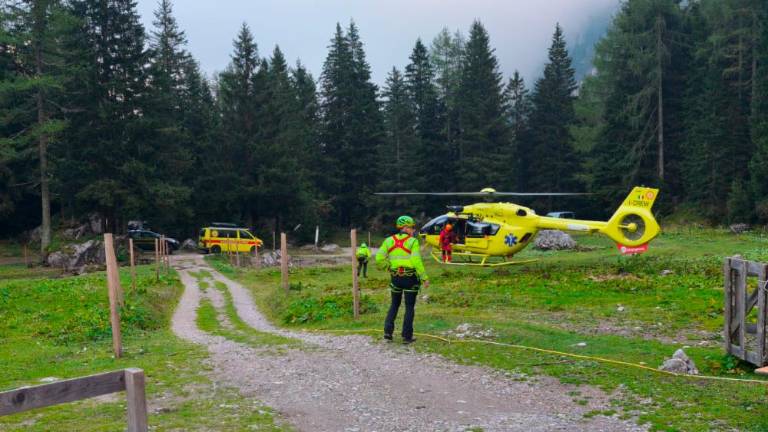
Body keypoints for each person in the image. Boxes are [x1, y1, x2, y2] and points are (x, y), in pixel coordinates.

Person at [376, 215, 429, 344]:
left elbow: (379, 259)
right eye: (411, 228)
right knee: (409, 307)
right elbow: (416, 261)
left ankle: (388, 333)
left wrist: (388, 267)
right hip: (410, 278)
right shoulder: (413, 242)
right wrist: (424, 278)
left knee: (394, 305)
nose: (413, 230)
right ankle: (407, 336)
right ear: (405, 228)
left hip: (396, 278)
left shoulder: (388, 240)